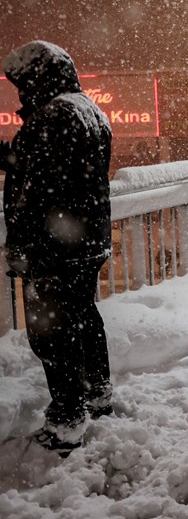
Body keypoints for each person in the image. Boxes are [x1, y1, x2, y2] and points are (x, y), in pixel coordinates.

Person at [0, 41, 113, 453]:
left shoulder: (52, 117)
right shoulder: (87, 110)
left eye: (22, 85)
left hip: (53, 247)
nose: (19, 95)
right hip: (86, 240)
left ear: (36, 79)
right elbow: (43, 167)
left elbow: (36, 188)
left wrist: (23, 247)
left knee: (53, 334)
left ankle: (67, 420)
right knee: (83, 317)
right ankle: (97, 395)